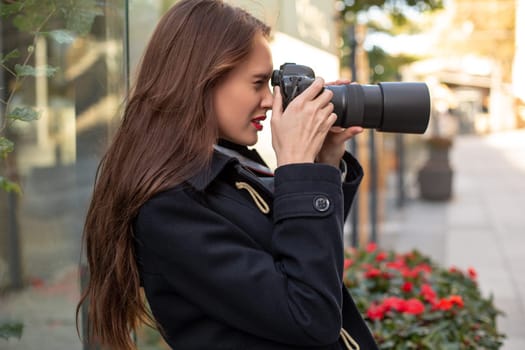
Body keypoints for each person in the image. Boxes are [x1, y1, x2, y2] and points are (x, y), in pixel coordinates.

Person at [76, 1, 379, 349]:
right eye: (259, 83)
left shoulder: (223, 167)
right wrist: (297, 169)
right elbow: (309, 315)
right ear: (204, 80)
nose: (270, 100)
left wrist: (321, 164)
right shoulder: (169, 206)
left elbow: (305, 258)